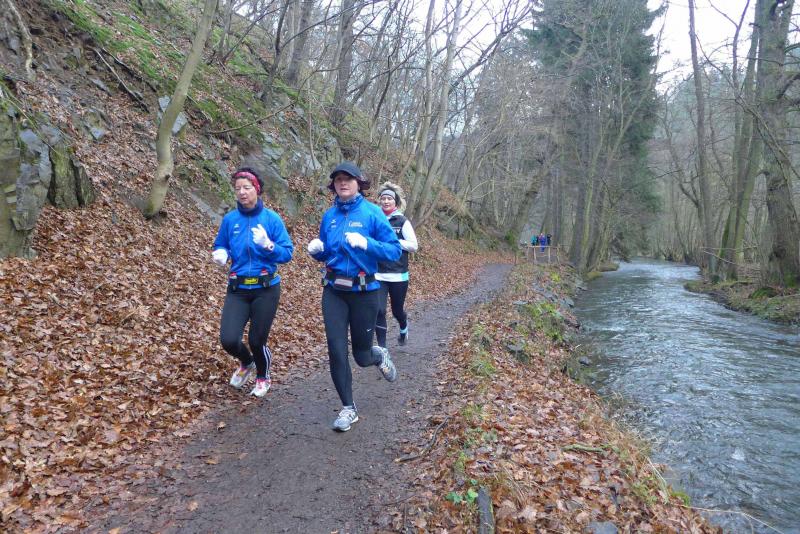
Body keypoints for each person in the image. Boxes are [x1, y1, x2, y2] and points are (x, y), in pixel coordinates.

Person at [307, 161, 402, 432]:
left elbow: (394, 251)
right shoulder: (329, 216)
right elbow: (329, 252)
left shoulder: (373, 213)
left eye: (348, 179)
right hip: (334, 291)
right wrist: (318, 252)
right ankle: (348, 408)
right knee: (336, 349)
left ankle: (377, 355)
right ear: (333, 185)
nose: (342, 183)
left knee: (361, 355)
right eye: (338, 179)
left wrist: (366, 243)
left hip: (364, 292)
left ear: (358, 183)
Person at [212, 167, 294, 397]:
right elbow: (221, 243)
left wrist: (268, 245)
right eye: (238, 188)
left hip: (265, 288)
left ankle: (263, 376)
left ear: (256, 189)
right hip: (238, 288)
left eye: (246, 187)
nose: (242, 192)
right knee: (229, 340)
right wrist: (221, 253)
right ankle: (247, 362)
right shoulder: (230, 220)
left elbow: (287, 253)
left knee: (257, 340)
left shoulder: (271, 219)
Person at [375, 182, 418, 348]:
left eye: (389, 199)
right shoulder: (375, 218)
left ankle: (403, 326)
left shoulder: (402, 221)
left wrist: (394, 242)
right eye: (383, 198)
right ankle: (382, 348)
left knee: (397, 311)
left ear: (395, 202)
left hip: (398, 274)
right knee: (379, 310)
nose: (386, 201)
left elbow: (413, 246)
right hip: (378, 273)